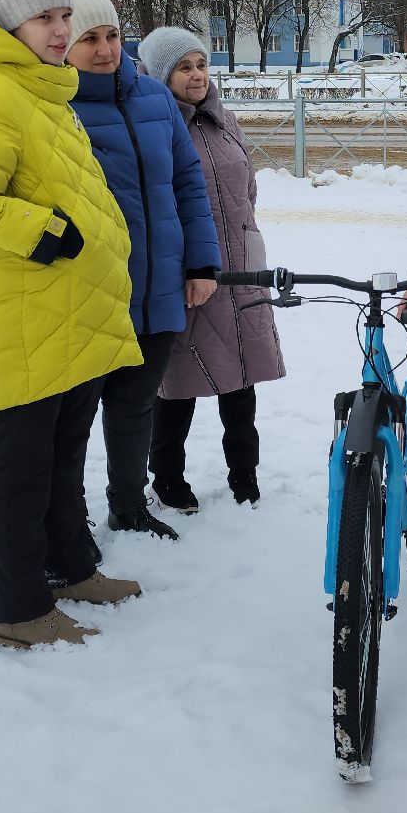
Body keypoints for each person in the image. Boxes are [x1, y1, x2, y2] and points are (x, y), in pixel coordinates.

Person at [0, 0, 146, 651]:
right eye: (46, 18)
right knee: (23, 466)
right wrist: (47, 235)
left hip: (74, 311)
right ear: (7, 22)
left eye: (66, 15)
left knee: (64, 454)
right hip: (33, 311)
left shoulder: (44, 92)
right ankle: (22, 610)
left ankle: (72, 566)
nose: (62, 30)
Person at [66, 0, 221, 540]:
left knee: (135, 408)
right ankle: (67, 514)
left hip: (159, 283)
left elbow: (188, 185)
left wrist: (202, 263)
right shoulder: (57, 107)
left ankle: (128, 504)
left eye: (111, 35)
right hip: (93, 290)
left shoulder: (155, 99)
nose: (105, 50)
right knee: (76, 415)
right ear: (65, 46)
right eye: (89, 39)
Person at [137, 28, 286, 509]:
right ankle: (167, 477)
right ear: (162, 75)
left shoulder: (225, 121)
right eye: (184, 67)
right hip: (187, 271)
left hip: (239, 265)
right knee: (177, 382)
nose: (197, 75)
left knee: (241, 375)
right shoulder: (156, 126)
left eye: (201, 64)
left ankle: (244, 473)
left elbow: (247, 190)